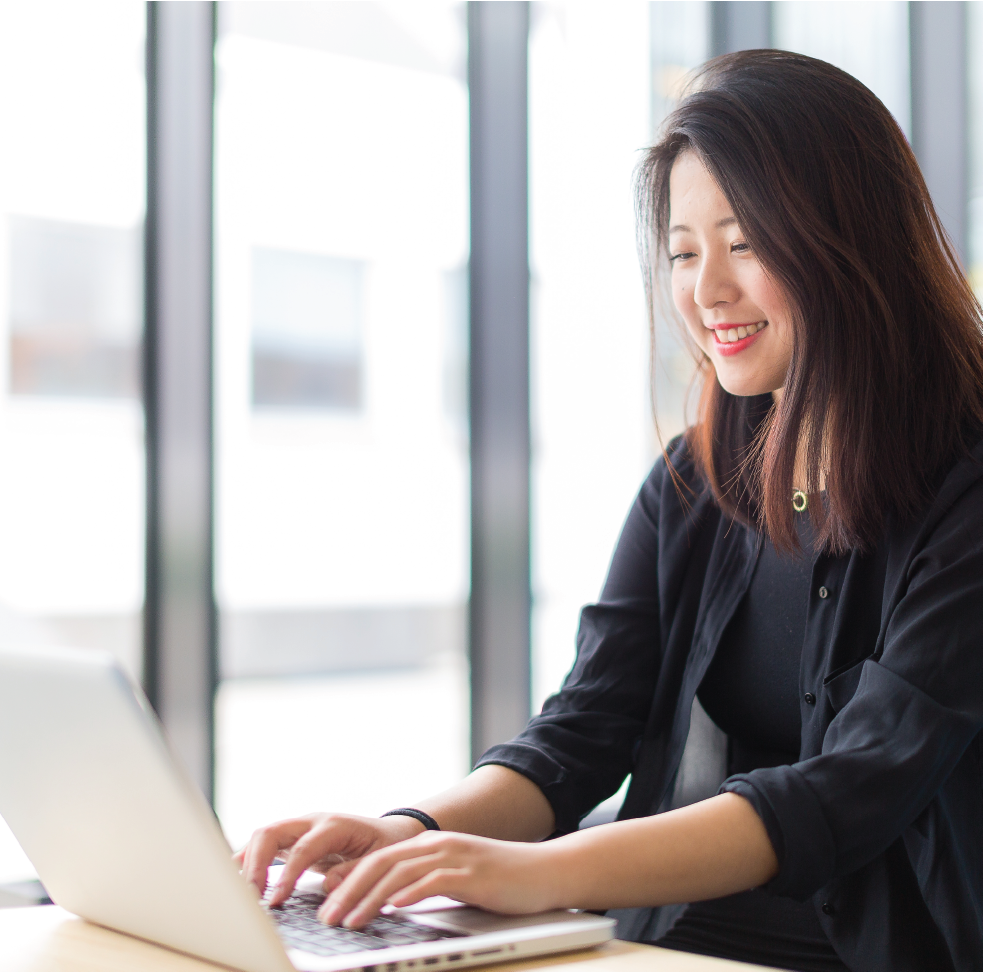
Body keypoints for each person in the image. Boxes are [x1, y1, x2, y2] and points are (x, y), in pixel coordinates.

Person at [236, 51, 982, 972]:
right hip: (665, 948)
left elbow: (852, 785)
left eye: (744, 242)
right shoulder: (693, 484)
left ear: (848, 235)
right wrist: (409, 831)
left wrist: (538, 872)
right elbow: (583, 730)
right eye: (682, 251)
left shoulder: (968, 490)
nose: (706, 292)